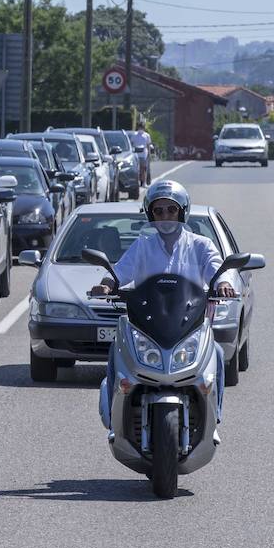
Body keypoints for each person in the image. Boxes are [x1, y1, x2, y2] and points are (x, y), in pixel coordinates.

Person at [90, 179, 235, 435]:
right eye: (159, 210)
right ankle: (115, 418)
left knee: (218, 355)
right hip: (147, 325)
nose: (166, 215)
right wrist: (106, 283)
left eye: (171, 209)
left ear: (182, 211)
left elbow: (216, 268)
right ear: (151, 214)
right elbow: (120, 271)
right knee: (115, 349)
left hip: (190, 325)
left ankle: (215, 420)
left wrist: (222, 283)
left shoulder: (201, 245)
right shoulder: (143, 246)